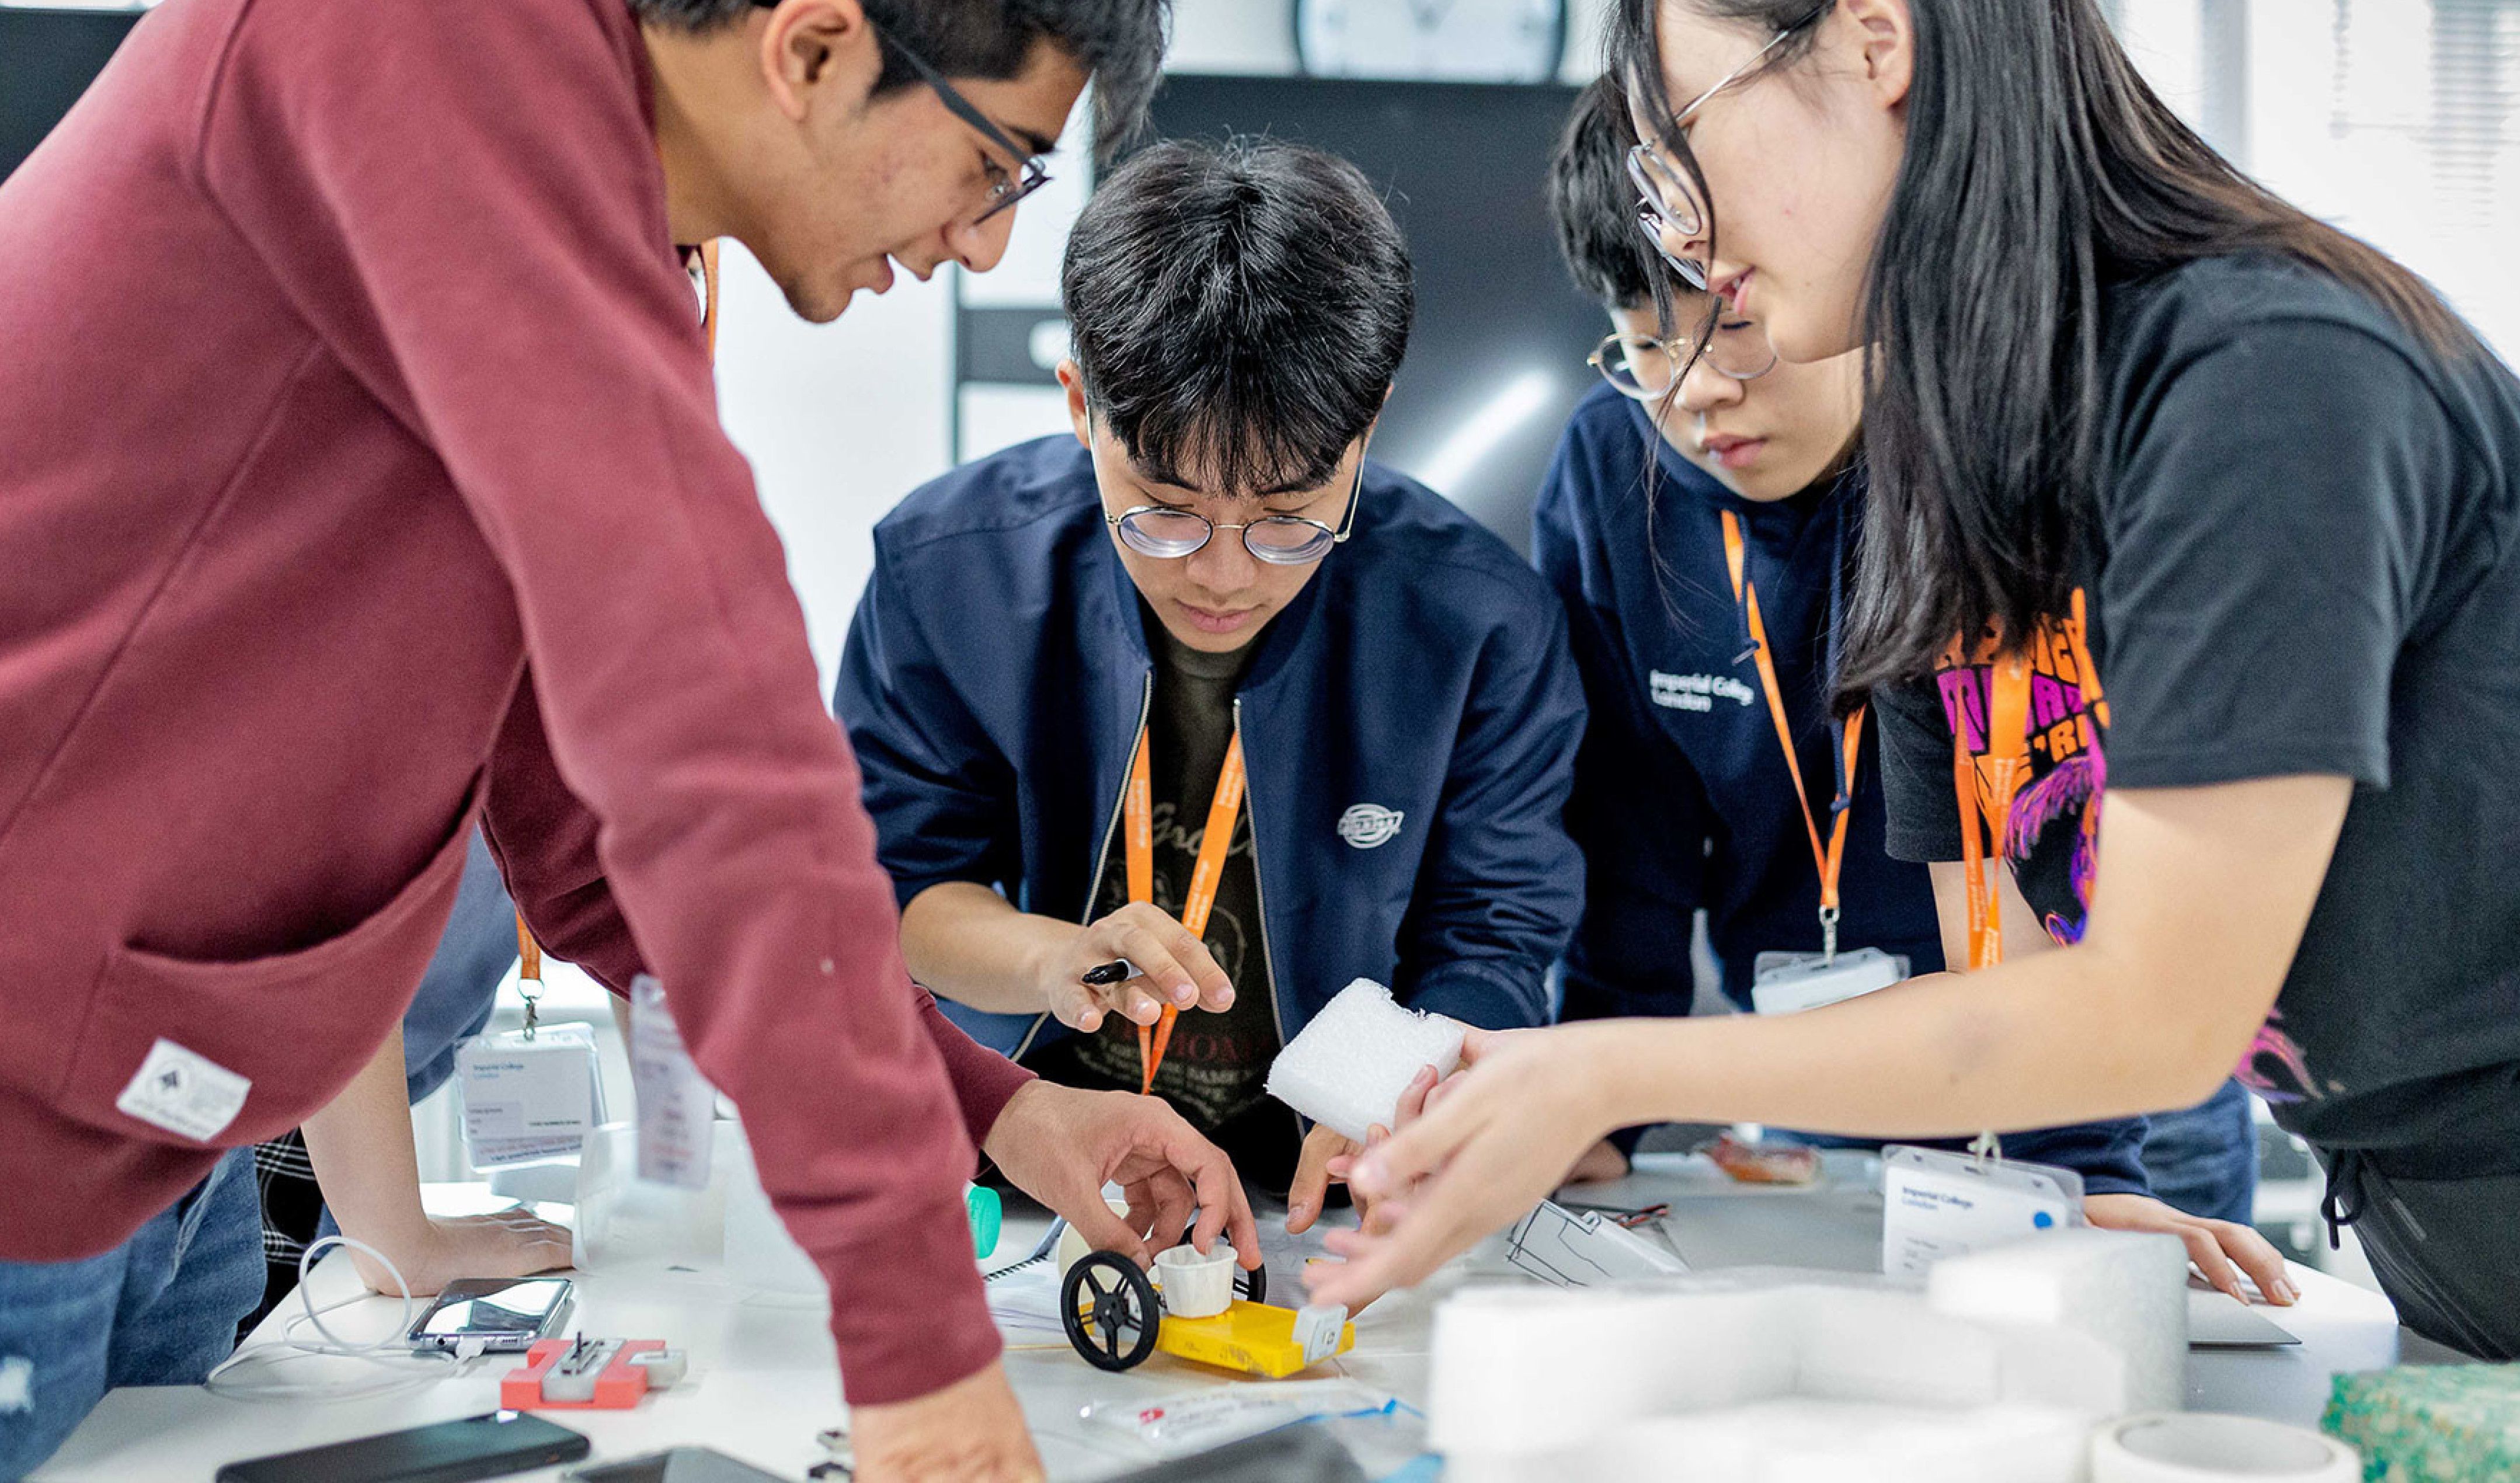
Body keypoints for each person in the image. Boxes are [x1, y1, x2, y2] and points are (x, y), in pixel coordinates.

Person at [0, 1, 1262, 1478]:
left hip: (168, 1131)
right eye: (1001, 166)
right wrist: (915, 1341)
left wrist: (1000, 1108)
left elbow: (600, 844)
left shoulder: (602, 227)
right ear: (811, 48)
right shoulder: (435, 51)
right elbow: (705, 746)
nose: (985, 245)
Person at [1309, 0, 2520, 1366]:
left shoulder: (2263, 376)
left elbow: (2152, 1011)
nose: (1683, 243)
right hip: (2421, 1222)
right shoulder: (1948, 478)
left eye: (1674, 165)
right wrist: (2037, 1190)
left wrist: (1603, 1062)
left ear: (1873, 42)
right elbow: (2011, 990)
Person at [1534, 78, 2268, 1262]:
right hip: (1833, 1092)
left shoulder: (1996, 465)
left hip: (2105, 1096)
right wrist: (1603, 1095)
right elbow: (1630, 821)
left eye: (1729, 328)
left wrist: (2083, 1172)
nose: (1698, 392)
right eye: (1645, 346)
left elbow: (2044, 840)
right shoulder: (1612, 475)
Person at [834, 138, 1586, 1214]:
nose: (1223, 575)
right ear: (1079, 406)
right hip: (1035, 1169)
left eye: (1288, 518)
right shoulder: (950, 571)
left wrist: (1393, 1102)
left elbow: (1494, 939)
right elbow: (886, 892)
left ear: (1366, 428)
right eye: (1166, 510)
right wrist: (1053, 960)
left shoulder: (1475, 621)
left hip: (1322, 1182)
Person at [248, 831, 572, 1332]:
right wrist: (404, 1247)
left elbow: (625, 916)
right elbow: (338, 891)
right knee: (274, 1346)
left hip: (351, 1084)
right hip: (276, 1084)